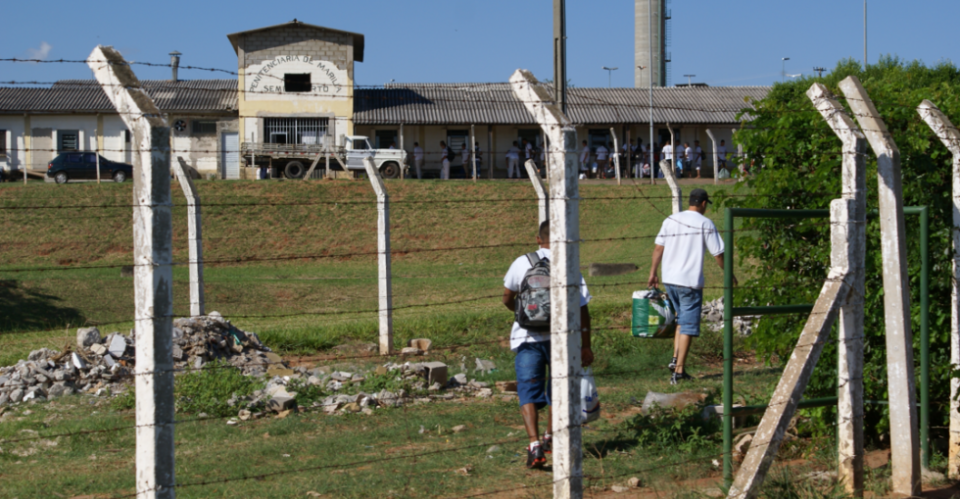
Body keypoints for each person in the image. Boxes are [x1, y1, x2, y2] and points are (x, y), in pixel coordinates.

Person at [502, 220, 593, 469]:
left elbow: (507, 297)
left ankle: (534, 445)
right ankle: (550, 436)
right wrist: (586, 344)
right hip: (562, 339)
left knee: (527, 391)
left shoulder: (522, 262)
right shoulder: (568, 265)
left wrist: (521, 312)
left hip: (527, 337)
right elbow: (583, 309)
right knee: (558, 389)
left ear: (538, 239)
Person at [647, 189, 734, 384]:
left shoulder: (671, 220)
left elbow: (658, 248)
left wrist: (653, 272)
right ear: (703, 203)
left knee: (680, 320)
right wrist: (729, 273)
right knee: (688, 324)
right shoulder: (705, 223)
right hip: (689, 282)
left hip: (670, 279)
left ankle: (675, 360)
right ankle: (678, 372)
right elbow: (718, 254)